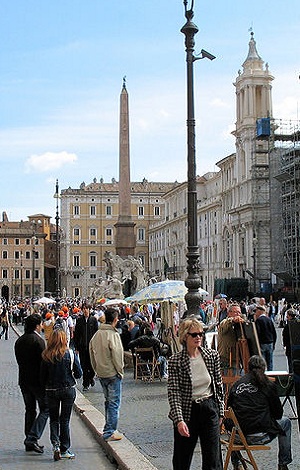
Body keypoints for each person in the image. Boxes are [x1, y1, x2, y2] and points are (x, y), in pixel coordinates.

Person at [167, 317, 224, 470]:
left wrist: (221, 412)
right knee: (182, 459)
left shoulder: (211, 356)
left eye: (201, 333)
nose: (199, 337)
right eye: (194, 334)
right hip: (187, 411)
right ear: (185, 337)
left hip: (209, 408)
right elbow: (174, 392)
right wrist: (179, 420)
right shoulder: (176, 361)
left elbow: (218, 386)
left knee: (213, 459)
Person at [227, 355, 292, 470]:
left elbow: (228, 413)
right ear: (264, 368)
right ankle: (283, 463)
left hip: (237, 437)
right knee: (286, 422)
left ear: (247, 368)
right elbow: (278, 414)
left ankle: (237, 463)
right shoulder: (268, 385)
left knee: (233, 424)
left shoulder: (236, 385)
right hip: (259, 435)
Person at [40, 329, 82, 460]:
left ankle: (55, 445)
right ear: (65, 340)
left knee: (53, 419)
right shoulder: (70, 353)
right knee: (65, 420)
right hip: (67, 389)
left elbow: (42, 378)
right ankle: (64, 449)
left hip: (51, 390)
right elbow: (79, 373)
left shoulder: (46, 355)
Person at [14, 313, 49, 453]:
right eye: (41, 324)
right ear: (36, 325)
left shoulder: (20, 341)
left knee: (30, 410)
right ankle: (32, 438)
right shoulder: (38, 341)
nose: (42, 326)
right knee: (45, 409)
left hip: (23, 381)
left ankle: (29, 440)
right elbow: (44, 363)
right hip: (37, 382)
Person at [89, 308, 124, 442]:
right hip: (112, 374)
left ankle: (108, 427)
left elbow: (91, 352)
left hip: (102, 374)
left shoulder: (97, 334)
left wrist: (96, 369)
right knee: (114, 403)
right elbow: (117, 355)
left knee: (108, 401)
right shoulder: (113, 335)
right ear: (115, 320)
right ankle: (109, 431)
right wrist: (120, 371)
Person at [73, 303, 98, 391]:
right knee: (84, 366)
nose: (85, 310)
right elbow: (76, 335)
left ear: (89, 309)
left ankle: (91, 377)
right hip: (82, 347)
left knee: (91, 366)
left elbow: (96, 333)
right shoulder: (79, 321)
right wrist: (76, 347)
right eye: (83, 308)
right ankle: (85, 384)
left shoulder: (93, 320)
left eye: (86, 308)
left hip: (91, 347)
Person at [217, 304, 245, 374]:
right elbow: (224, 324)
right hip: (226, 359)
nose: (238, 314)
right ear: (229, 313)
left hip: (237, 360)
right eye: (235, 312)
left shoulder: (239, 324)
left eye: (239, 312)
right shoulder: (225, 322)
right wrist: (232, 320)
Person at [255, 305, 277, 370]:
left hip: (262, 343)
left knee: (262, 362)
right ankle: (271, 374)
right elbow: (274, 332)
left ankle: (263, 375)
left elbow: (257, 332)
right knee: (270, 361)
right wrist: (274, 343)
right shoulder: (269, 320)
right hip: (270, 342)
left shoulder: (258, 320)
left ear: (260, 311)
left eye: (256, 311)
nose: (255, 313)